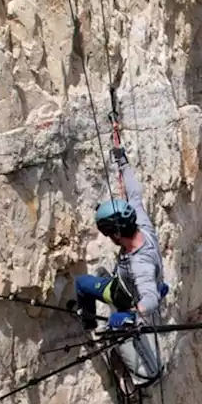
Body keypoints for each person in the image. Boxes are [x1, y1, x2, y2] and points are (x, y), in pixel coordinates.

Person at [74, 146, 168, 390]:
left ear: (116, 233)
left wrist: (132, 317)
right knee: (83, 284)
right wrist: (123, 163)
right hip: (125, 284)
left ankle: (140, 375)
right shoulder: (141, 223)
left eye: (107, 234)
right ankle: (91, 325)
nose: (108, 238)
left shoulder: (140, 264)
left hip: (127, 296)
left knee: (115, 320)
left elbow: (149, 298)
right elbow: (134, 193)